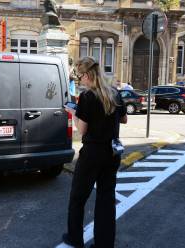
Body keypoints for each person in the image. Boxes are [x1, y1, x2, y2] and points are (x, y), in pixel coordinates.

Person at [62, 56, 127, 248]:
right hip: (112, 153)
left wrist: (74, 113)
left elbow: (82, 130)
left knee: (78, 197)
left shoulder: (88, 97)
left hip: (92, 154)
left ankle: (75, 238)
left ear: (88, 74)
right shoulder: (114, 92)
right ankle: (104, 244)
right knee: (106, 200)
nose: (80, 80)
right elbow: (124, 120)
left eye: (80, 76)